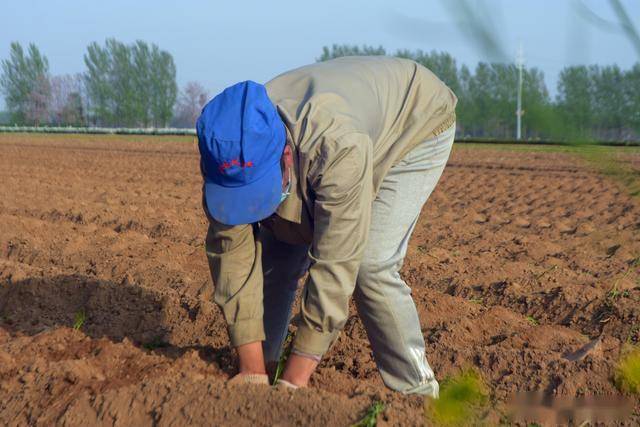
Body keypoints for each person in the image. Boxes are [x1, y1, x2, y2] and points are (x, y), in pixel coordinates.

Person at [198, 56, 457, 397]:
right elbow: (232, 257)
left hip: (414, 123)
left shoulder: (338, 147)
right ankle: (264, 367)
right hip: (336, 132)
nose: (252, 206)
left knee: (371, 265)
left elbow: (337, 264)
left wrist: (296, 384)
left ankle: (418, 394)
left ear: (285, 156)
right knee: (278, 256)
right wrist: (252, 373)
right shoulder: (227, 150)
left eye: (259, 191)